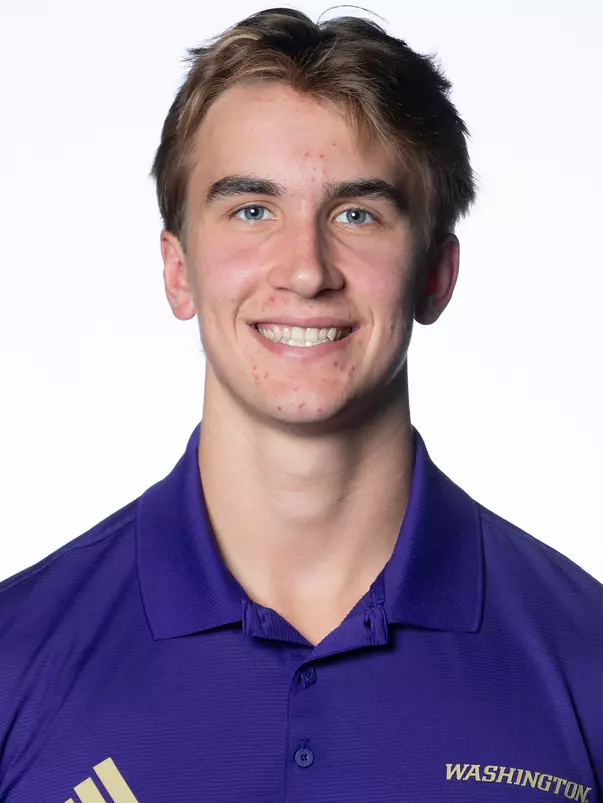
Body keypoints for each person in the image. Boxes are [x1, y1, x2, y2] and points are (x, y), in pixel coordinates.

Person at [1, 7, 601, 802]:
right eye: (252, 210)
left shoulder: (584, 658)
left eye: (358, 213)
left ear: (435, 274)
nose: (307, 269)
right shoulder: (17, 656)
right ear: (178, 270)